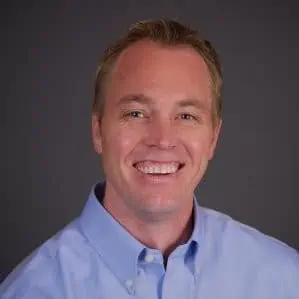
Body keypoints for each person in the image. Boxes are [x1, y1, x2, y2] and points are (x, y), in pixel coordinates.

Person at [1, 19, 298, 299]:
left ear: (213, 138)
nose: (162, 139)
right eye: (136, 113)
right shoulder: (33, 290)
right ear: (98, 131)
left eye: (186, 116)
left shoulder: (284, 279)